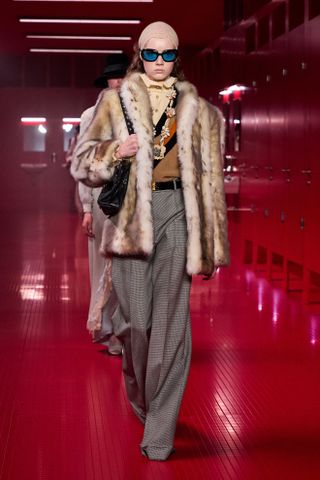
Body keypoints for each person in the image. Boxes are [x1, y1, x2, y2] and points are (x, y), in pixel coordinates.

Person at [72, 21, 229, 460]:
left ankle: (160, 429)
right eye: (152, 54)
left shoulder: (195, 107)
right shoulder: (114, 102)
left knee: (171, 324)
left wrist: (212, 243)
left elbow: (210, 179)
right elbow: (83, 162)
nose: (161, 62)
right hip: (129, 218)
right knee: (135, 323)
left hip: (178, 211)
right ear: (140, 55)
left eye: (169, 54)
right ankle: (141, 393)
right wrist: (114, 151)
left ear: (178, 58)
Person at [78, 53, 129, 355]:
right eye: (113, 76)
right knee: (102, 264)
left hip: (130, 199)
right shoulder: (89, 116)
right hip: (100, 198)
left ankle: (124, 332)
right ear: (107, 81)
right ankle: (106, 329)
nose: (118, 81)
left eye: (123, 75)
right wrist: (86, 209)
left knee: (126, 264)